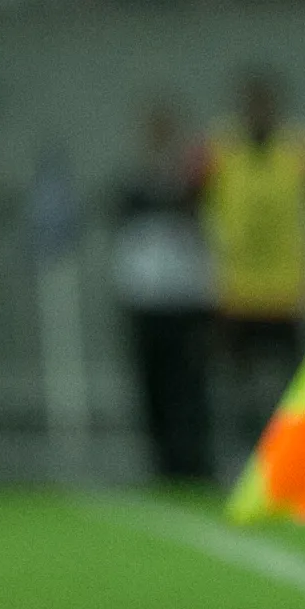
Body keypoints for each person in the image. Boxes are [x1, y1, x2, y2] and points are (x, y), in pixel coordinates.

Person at [202, 70, 305, 452]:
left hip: (286, 291)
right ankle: (239, 459)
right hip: (237, 290)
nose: (259, 113)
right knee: (237, 388)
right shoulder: (222, 150)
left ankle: (291, 458)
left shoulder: (298, 150)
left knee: (293, 389)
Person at [112, 101, 216, 482]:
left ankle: (191, 461)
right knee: (151, 385)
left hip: (185, 301)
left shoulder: (193, 182)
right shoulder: (132, 183)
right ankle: (161, 463)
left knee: (187, 387)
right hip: (145, 302)